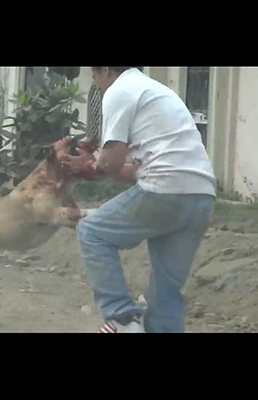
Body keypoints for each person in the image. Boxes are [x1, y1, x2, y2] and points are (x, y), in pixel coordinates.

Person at [60, 67, 216, 333]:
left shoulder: (118, 90)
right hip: (201, 196)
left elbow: (111, 162)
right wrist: (99, 160)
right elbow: (130, 170)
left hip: (165, 190)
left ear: (106, 70)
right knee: (165, 291)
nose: (96, 85)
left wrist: (89, 166)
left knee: (92, 231)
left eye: (95, 77)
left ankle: (122, 319)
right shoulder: (157, 91)